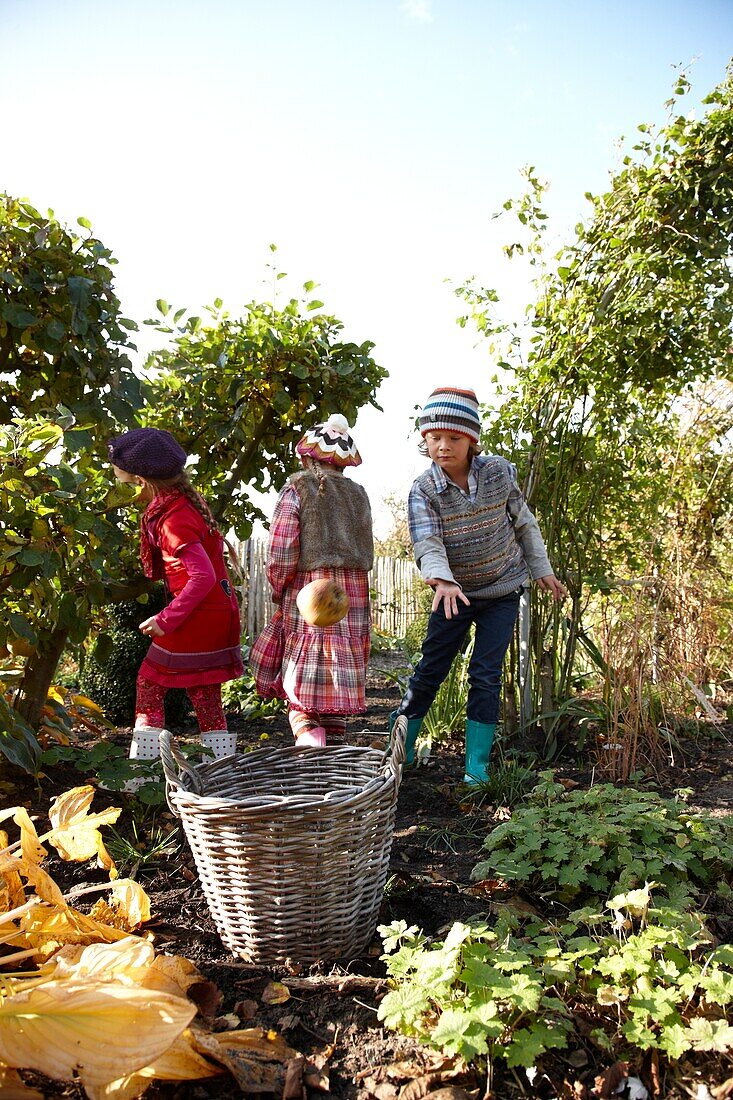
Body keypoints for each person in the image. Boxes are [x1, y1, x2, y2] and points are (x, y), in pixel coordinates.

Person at [394, 387, 567, 783]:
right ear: (425, 440)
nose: (443, 446)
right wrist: (443, 580)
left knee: (485, 674)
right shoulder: (424, 489)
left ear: (472, 440)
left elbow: (523, 523)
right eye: (434, 437)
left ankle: (477, 771)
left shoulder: (499, 472)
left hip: (502, 590)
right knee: (430, 671)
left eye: (453, 438)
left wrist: (541, 568)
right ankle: (399, 752)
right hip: (452, 594)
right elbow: (427, 541)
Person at [108, 428, 244, 781]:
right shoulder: (181, 503)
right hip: (216, 612)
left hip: (196, 615)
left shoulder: (172, 520)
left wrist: (166, 619)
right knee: (204, 691)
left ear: (142, 479)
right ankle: (220, 774)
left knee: (150, 682)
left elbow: (202, 577)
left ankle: (145, 778)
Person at [250, 414, 373, 747]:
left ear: (306, 456)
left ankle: (309, 748)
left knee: (302, 696)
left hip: (310, 595)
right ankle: (332, 766)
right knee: (333, 686)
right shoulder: (359, 495)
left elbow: (282, 549)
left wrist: (278, 586)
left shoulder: (298, 488)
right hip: (351, 599)